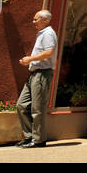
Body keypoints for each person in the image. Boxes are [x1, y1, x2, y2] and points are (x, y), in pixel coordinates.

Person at [17, 10, 57, 148]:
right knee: (21, 105)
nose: (33, 22)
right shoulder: (43, 33)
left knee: (37, 108)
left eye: (36, 19)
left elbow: (49, 52)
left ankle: (38, 140)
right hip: (35, 74)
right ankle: (29, 137)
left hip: (42, 74)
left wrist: (30, 59)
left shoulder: (48, 34)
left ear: (45, 20)